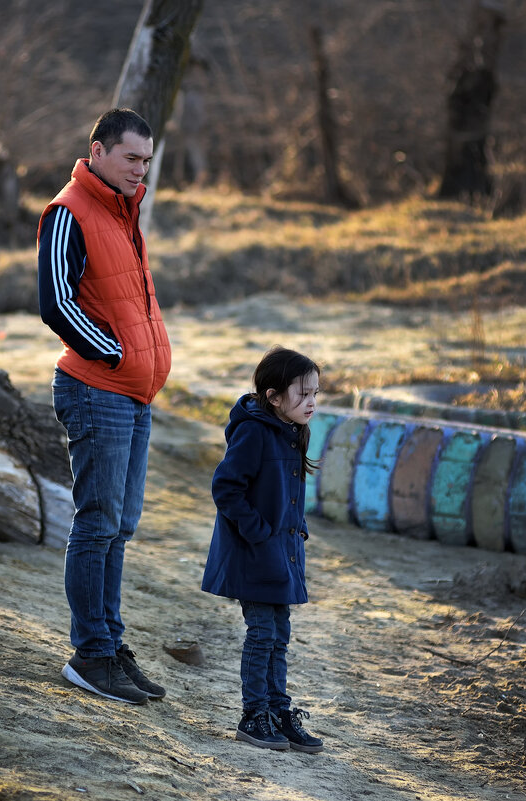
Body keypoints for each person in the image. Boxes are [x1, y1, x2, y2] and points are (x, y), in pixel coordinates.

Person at [37, 108, 172, 705]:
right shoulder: (70, 211)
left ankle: (111, 646)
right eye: (131, 159)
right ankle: (90, 655)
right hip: (98, 391)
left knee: (120, 526)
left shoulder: (124, 211)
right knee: (96, 525)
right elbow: (56, 303)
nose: (141, 170)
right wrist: (116, 355)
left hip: (133, 396)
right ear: (98, 152)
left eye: (146, 160)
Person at [202, 346, 325, 753]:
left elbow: (288, 493)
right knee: (262, 634)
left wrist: (297, 531)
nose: (311, 403)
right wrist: (259, 533)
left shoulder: (291, 432)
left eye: (316, 394)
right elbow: (226, 487)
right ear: (273, 396)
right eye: (303, 393)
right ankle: (254, 714)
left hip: (282, 553)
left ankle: (278, 710)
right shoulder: (254, 431)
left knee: (280, 635)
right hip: (255, 555)